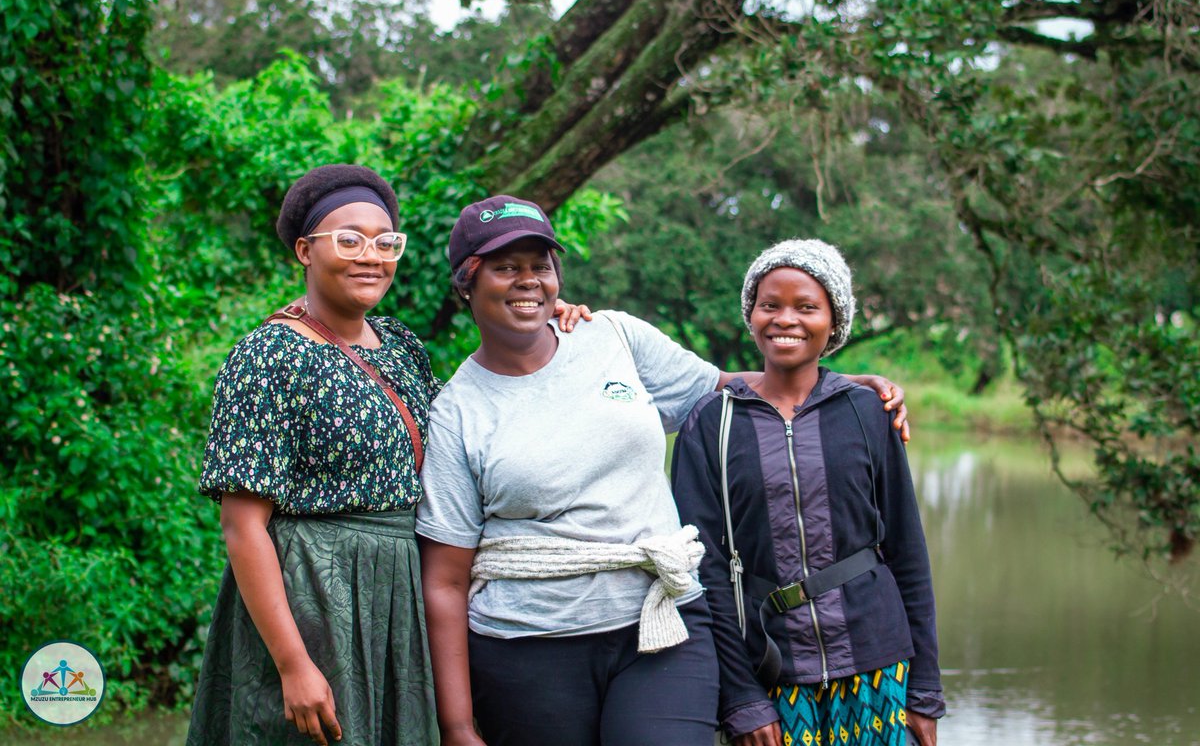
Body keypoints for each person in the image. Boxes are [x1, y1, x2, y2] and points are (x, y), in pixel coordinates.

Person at [415, 198, 912, 746]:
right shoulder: (458, 411)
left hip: (662, 620)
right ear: (467, 283)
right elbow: (446, 580)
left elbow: (722, 387)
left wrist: (839, 384)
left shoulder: (613, 338)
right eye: (506, 268)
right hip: (528, 644)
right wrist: (458, 725)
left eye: (541, 266)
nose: (528, 281)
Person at [186, 167, 588, 746]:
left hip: (400, 591)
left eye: (385, 241)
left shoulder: (400, 345)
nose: (370, 256)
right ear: (305, 250)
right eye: (348, 239)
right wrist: (293, 663)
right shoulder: (267, 354)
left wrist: (547, 311)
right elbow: (243, 526)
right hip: (313, 598)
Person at [671, 240, 944, 746]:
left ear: (834, 322)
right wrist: (742, 698)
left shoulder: (867, 413)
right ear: (751, 314)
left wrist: (924, 691)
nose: (785, 319)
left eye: (806, 307)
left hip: (878, 669)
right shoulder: (712, 425)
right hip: (772, 671)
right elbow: (701, 572)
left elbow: (907, 552)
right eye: (769, 305)